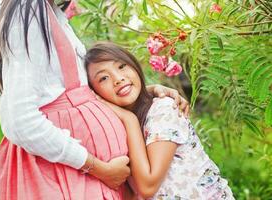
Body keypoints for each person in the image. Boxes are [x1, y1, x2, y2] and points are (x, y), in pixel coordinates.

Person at [0, 0, 189, 199]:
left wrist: (146, 91)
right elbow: (20, 121)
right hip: (66, 175)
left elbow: (78, 91)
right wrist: (98, 167)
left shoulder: (51, 13)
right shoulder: (29, 12)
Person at [85, 42, 234, 200]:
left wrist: (130, 120)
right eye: (103, 78)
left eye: (122, 66)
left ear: (134, 65)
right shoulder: (114, 128)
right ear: (95, 93)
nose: (118, 79)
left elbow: (147, 187)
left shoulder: (162, 110)